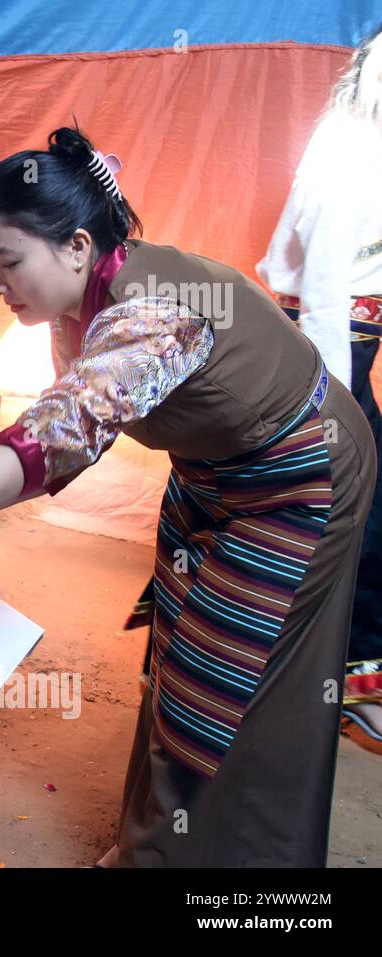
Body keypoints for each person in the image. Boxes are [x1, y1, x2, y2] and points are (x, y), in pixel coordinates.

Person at [0, 127, 376, 866]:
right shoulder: (77, 307)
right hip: (212, 473)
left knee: (228, 688)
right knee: (175, 661)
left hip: (296, 474)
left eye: (8, 263)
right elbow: (65, 426)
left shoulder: (156, 311)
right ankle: (150, 846)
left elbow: (62, 431)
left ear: (74, 246)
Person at [258, 27, 382, 745]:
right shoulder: (350, 145)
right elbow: (329, 280)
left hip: (349, 346)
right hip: (326, 346)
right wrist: (336, 402)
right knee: (345, 505)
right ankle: (328, 678)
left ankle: (347, 675)